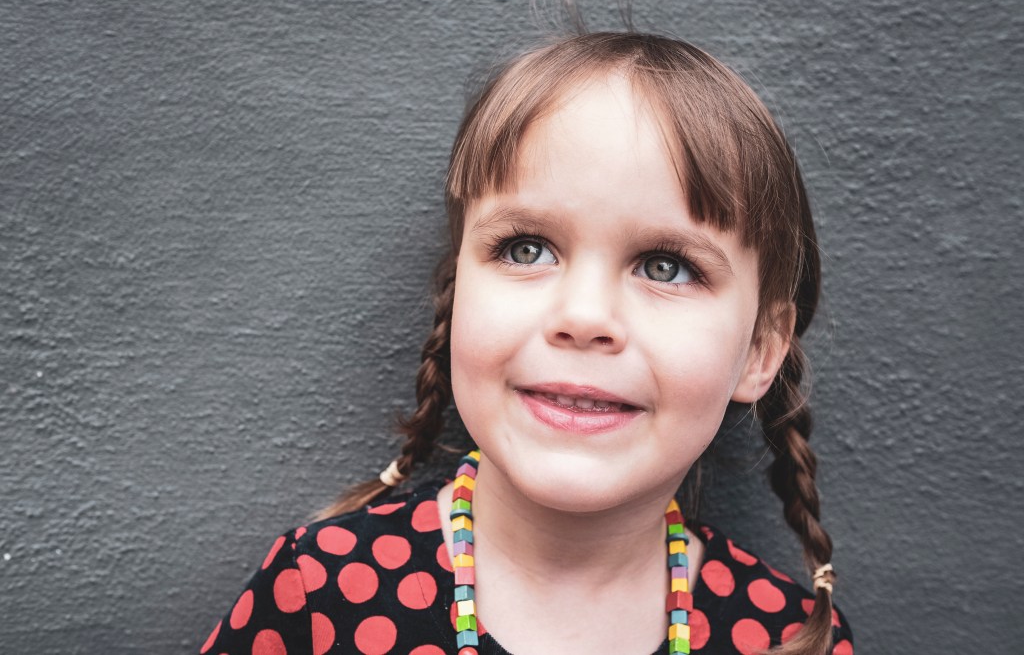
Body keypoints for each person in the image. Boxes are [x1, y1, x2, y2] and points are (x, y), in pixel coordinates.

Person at [200, 32, 854, 655]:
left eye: (665, 266)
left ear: (760, 350)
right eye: (527, 249)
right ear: (459, 293)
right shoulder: (318, 596)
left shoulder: (789, 637)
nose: (583, 316)